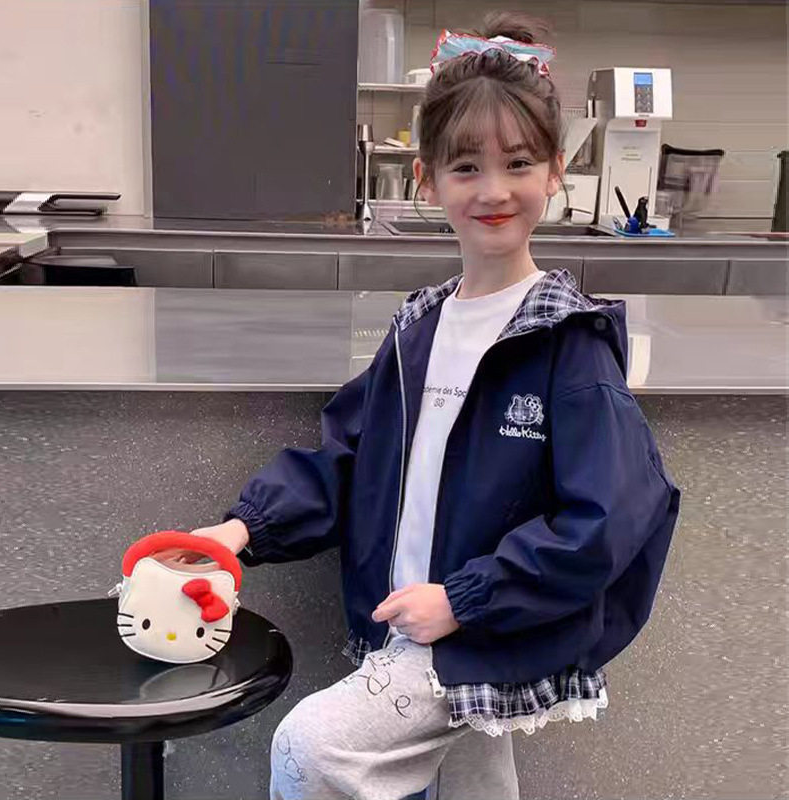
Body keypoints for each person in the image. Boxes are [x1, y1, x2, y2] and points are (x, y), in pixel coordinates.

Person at [161, 11, 681, 800]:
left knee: (311, 747)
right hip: (406, 620)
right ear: (426, 180)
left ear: (555, 171)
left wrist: (466, 599)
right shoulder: (419, 328)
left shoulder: (567, 342)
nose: (494, 190)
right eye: (466, 166)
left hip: (474, 636)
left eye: (518, 162)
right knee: (471, 782)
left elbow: (606, 520)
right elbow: (345, 459)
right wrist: (241, 532)